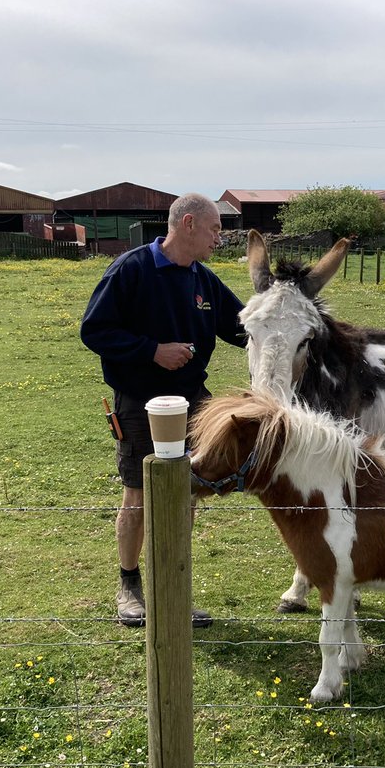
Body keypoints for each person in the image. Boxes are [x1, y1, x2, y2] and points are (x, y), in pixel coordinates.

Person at [81, 193, 246, 628]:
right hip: (140, 403)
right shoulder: (131, 270)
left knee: (187, 492)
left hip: (194, 404)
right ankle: (129, 586)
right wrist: (152, 351)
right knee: (138, 491)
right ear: (188, 223)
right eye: (215, 230)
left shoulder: (203, 281)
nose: (219, 239)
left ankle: (171, 586)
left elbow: (243, 326)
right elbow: (94, 329)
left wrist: (286, 329)